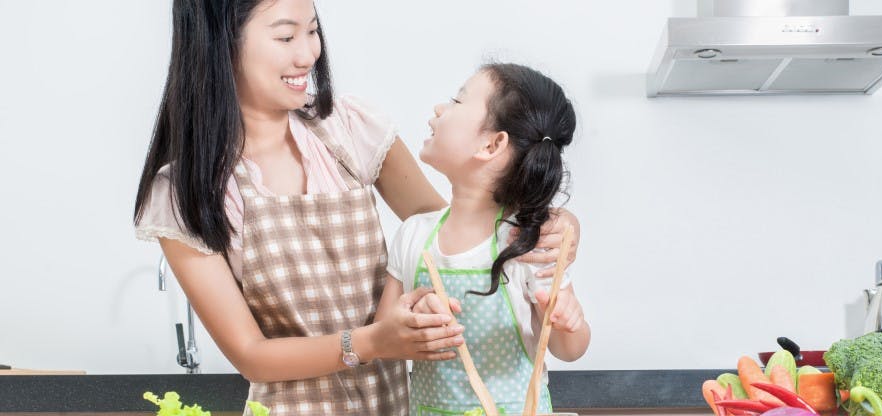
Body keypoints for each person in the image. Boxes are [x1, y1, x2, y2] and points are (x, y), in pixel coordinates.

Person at [132, 1, 581, 415]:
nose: (308, 54)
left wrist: (557, 224)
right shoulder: (183, 193)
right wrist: (372, 342)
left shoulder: (347, 129)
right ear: (219, 43)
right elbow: (251, 356)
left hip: (391, 406)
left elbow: (460, 228)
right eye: (286, 37)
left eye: (312, 30)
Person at [379, 63, 591, 415]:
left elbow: (569, 349)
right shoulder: (413, 233)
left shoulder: (527, 244)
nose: (438, 110)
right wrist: (414, 320)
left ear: (492, 144)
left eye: (456, 101)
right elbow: (385, 339)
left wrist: (569, 322)